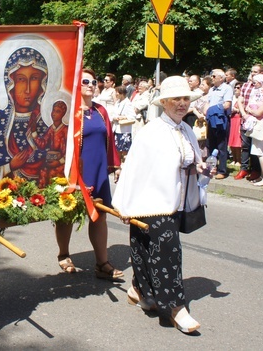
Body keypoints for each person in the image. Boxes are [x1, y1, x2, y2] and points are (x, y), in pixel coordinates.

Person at [112, 76, 205, 334]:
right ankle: (176, 308)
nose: (182, 103)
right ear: (164, 102)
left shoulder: (186, 130)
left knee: (144, 250)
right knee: (169, 254)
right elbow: (133, 169)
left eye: (186, 98)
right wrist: (124, 205)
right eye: (176, 99)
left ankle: (139, 290)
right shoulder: (151, 131)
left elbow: (191, 160)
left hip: (175, 202)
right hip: (152, 203)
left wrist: (199, 167)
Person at [54, 68, 122, 280]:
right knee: (67, 215)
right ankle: (64, 254)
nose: (92, 85)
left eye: (95, 81)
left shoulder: (101, 111)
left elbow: (109, 139)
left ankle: (102, 263)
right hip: (75, 172)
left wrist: (116, 165)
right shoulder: (70, 112)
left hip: (98, 171)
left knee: (99, 215)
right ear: (76, 85)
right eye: (86, 81)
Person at [0, 47, 50, 186]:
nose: (27, 89)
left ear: (42, 83)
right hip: (2, 200)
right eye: (21, 79)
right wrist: (9, 166)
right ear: (10, 83)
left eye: (34, 78)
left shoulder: (47, 125)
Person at [235, 65, 263, 180]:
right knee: (245, 145)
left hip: (257, 120)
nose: (253, 74)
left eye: (256, 72)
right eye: (252, 72)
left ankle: (256, 170)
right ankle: (244, 168)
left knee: (255, 146)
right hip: (245, 119)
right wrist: (243, 114)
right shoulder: (246, 85)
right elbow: (240, 100)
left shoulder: (262, 87)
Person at [204, 69, 233, 178]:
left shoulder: (227, 88)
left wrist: (213, 109)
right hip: (211, 119)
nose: (212, 78)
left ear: (221, 78)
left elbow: (227, 104)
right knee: (210, 144)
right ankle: (211, 168)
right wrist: (206, 111)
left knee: (221, 145)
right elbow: (208, 102)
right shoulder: (212, 89)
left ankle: (222, 170)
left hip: (220, 119)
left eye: (214, 76)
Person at [111, 85, 136, 163]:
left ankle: (124, 166)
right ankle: (118, 166)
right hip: (117, 129)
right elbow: (113, 113)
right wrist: (114, 117)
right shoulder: (118, 102)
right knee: (117, 150)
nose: (115, 94)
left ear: (122, 93)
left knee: (124, 151)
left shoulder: (127, 103)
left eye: (117, 92)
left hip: (124, 131)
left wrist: (122, 117)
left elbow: (132, 116)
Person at [229, 82, 243, 166]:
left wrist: (237, 110)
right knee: (232, 140)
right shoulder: (232, 98)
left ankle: (239, 160)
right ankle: (234, 159)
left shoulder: (242, 99)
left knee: (237, 141)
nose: (236, 89)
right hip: (232, 119)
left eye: (238, 88)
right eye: (235, 87)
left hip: (238, 119)